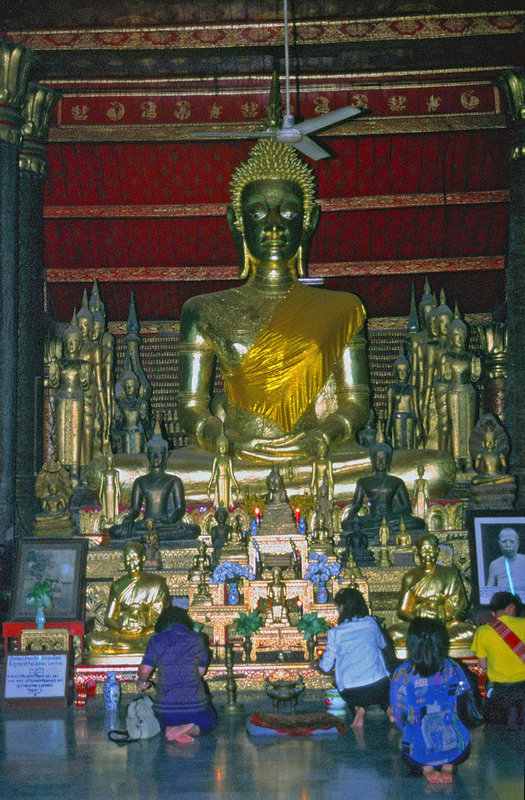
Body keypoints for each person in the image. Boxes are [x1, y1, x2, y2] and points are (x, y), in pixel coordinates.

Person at [390, 618, 470, 784]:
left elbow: (399, 717)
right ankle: (449, 764)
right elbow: (465, 701)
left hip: (417, 752)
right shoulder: (454, 667)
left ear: (411, 643)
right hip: (459, 748)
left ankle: (426, 767)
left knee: (409, 742)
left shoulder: (402, 674)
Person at [137, 605, 216, 743]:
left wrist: (141, 681)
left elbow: (144, 671)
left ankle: (173, 729)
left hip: (166, 709)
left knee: (162, 723)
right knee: (210, 720)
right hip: (195, 707)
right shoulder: (198, 639)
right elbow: (200, 672)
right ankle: (188, 727)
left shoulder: (156, 640)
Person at [109, 423, 199, 542]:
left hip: (165, 525)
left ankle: (146, 538)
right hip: (146, 524)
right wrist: (128, 519)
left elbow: (179, 508)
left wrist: (169, 521)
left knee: (194, 530)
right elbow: (135, 509)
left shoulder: (174, 481)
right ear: (147, 455)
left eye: (160, 454)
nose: (156, 457)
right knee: (114, 531)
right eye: (152, 454)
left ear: (167, 456)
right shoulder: (140, 481)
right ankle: (152, 537)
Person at [318, 587, 392, 728]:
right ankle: (389, 708)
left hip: (352, 693)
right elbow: (383, 645)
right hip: (379, 687)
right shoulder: (371, 623)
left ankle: (358, 708)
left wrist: (316, 665)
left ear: (342, 607)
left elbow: (325, 666)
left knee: (348, 682)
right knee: (380, 670)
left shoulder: (335, 633)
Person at [388, 532, 476, 644]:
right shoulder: (410, 577)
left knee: (471, 632)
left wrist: (443, 620)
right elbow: (402, 610)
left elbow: (460, 609)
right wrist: (419, 621)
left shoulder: (450, 574)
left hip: (445, 626)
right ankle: (435, 641)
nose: (428, 554)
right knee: (393, 633)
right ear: (417, 552)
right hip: (419, 626)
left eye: (431, 550)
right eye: (424, 550)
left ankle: (427, 641)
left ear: (437, 551)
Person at [84, 541, 171, 654]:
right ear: (123, 560)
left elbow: (162, 616)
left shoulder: (156, 583)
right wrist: (121, 626)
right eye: (128, 558)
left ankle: (124, 648)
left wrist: (142, 622)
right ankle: (132, 647)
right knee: (91, 640)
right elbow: (108, 618)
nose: (131, 562)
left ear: (143, 558)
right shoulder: (117, 585)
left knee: (165, 639)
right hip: (122, 634)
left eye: (135, 558)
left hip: (147, 632)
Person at [342, 439, 425, 544]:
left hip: (392, 519)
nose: (380, 462)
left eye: (384, 459)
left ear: (389, 460)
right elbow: (356, 505)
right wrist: (349, 519)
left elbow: (407, 507)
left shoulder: (397, 482)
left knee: (419, 523)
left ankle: (374, 531)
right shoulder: (363, 482)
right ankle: (376, 529)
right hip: (372, 519)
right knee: (347, 525)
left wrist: (393, 514)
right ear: (372, 460)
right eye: (377, 459)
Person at [471, 591, 525, 729]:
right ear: (511, 608)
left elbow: (483, 666)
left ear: (493, 613)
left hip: (499, 694)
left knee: (497, 738)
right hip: (523, 690)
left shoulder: (483, 631)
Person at [487, 528, 525, 598]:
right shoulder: (494, 564)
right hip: (503, 603)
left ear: (518, 542)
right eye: (504, 541)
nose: (508, 545)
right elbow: (489, 591)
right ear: (499, 543)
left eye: (512, 541)